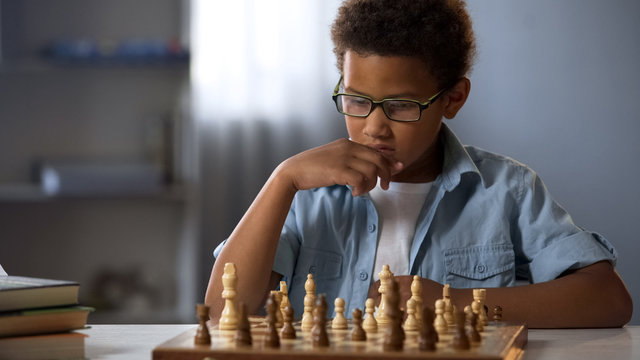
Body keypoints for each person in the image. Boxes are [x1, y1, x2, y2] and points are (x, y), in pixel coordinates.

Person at [205, 0, 632, 328]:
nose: (374, 128)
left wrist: (455, 304)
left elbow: (608, 300)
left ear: (452, 99)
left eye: (401, 106)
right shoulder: (306, 196)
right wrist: (283, 179)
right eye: (356, 101)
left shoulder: (507, 190)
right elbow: (220, 313)